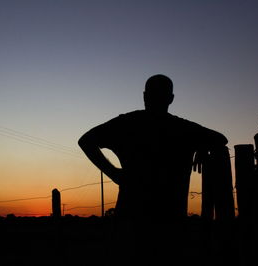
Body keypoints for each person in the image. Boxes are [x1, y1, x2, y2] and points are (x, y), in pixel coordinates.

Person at [78, 74, 228, 264]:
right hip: (169, 220)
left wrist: (114, 173)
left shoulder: (127, 124)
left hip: (133, 217)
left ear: (144, 96)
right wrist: (201, 145)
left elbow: (85, 141)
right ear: (171, 99)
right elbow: (220, 139)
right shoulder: (183, 129)